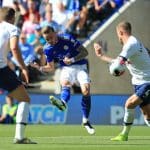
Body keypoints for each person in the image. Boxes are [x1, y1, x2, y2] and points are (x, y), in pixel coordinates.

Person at [93, 21, 150, 141]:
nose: (118, 37)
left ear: (120, 32)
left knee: (129, 103)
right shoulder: (131, 45)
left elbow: (116, 66)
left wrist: (116, 71)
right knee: (147, 114)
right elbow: (119, 62)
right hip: (139, 83)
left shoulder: (131, 44)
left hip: (147, 82)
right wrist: (101, 56)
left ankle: (124, 135)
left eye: (117, 34)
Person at [34, 25, 95, 135]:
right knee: (65, 83)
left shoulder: (67, 38)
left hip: (80, 66)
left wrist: (72, 59)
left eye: (51, 37)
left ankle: (85, 120)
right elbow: (51, 67)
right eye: (47, 39)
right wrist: (40, 68)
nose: (50, 41)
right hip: (66, 68)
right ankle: (62, 103)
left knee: (86, 91)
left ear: (55, 33)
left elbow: (85, 52)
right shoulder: (47, 48)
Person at [0, 7, 36, 144]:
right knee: (25, 99)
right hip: (1, 69)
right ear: (13, 17)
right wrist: (23, 67)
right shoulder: (12, 28)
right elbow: (14, 48)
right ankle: (20, 137)